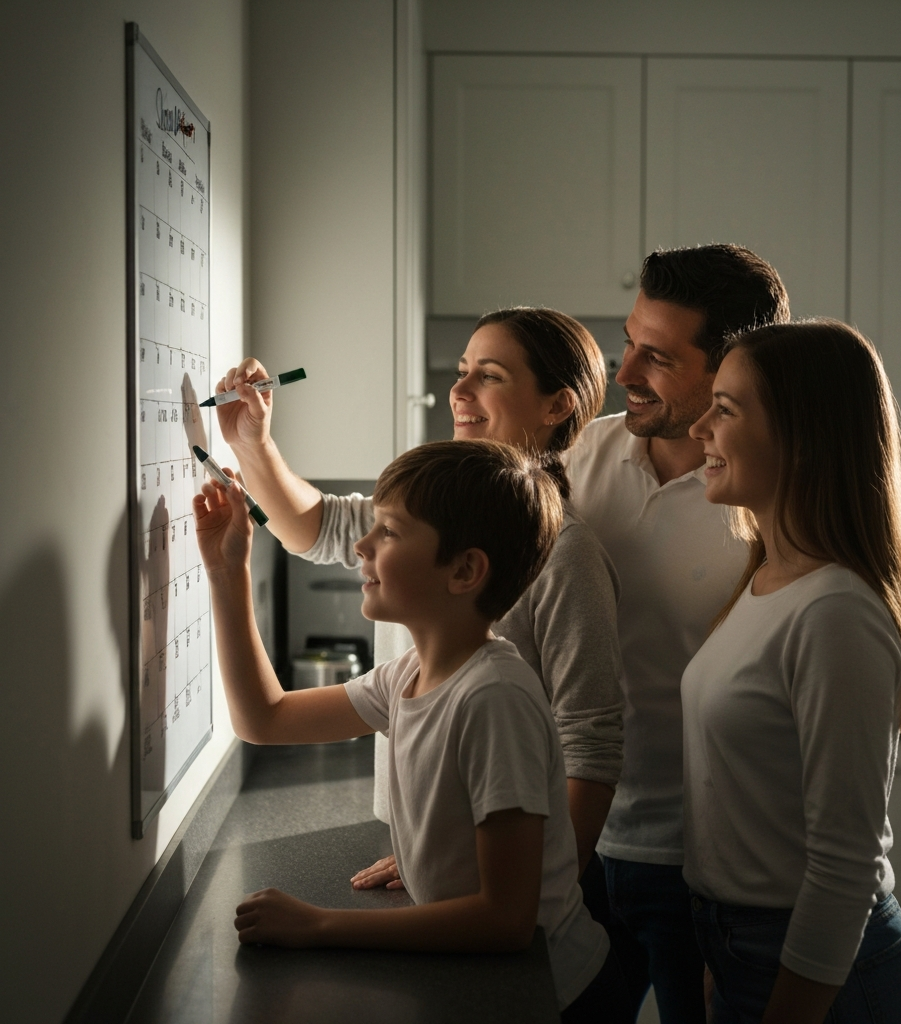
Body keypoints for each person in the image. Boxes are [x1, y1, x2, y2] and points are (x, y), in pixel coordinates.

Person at [193, 439, 629, 1022]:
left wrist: (318, 924)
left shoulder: (494, 699)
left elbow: (505, 921)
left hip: (553, 993)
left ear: (465, 570)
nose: (362, 545)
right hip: (487, 975)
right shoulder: (410, 676)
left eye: (390, 532)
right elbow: (262, 719)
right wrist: (227, 572)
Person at [217, 308, 624, 885]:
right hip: (431, 853)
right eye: (462, 370)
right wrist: (252, 446)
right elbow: (319, 528)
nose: (457, 391)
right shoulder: (429, 519)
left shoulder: (565, 557)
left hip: (491, 870)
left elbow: (590, 746)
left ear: (557, 405)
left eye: (490, 375)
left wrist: (537, 884)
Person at [564, 244, 789, 1023]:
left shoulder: (770, 501)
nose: (623, 372)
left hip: (707, 872)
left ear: (731, 369)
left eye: (656, 357)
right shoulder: (573, 459)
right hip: (580, 840)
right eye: (629, 341)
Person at [684, 320, 901, 1023]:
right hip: (744, 949)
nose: (700, 426)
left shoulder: (835, 612)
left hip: (819, 974)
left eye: (725, 409)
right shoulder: (765, 582)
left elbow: (844, 868)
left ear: (804, 436)